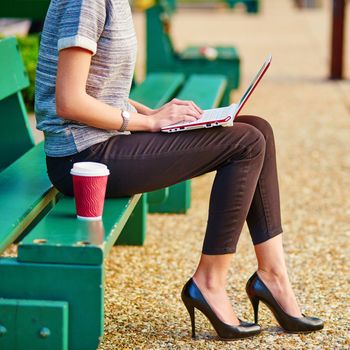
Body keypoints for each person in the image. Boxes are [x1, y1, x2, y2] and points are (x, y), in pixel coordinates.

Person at [35, 0, 324, 341]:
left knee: (259, 128)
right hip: (82, 157)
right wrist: (149, 122)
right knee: (246, 143)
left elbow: (104, 92)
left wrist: (154, 113)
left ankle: (273, 277)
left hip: (104, 143)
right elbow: (68, 100)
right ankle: (209, 283)